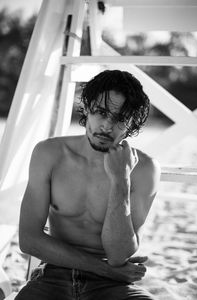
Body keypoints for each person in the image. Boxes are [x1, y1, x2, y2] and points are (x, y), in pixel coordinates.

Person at [15, 70, 161, 300]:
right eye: (101, 112)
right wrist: (102, 268)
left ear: (131, 124)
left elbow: (117, 255)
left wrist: (120, 179)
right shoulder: (49, 154)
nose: (106, 126)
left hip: (112, 284)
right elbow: (29, 239)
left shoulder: (144, 169)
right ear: (87, 107)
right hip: (54, 274)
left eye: (120, 118)